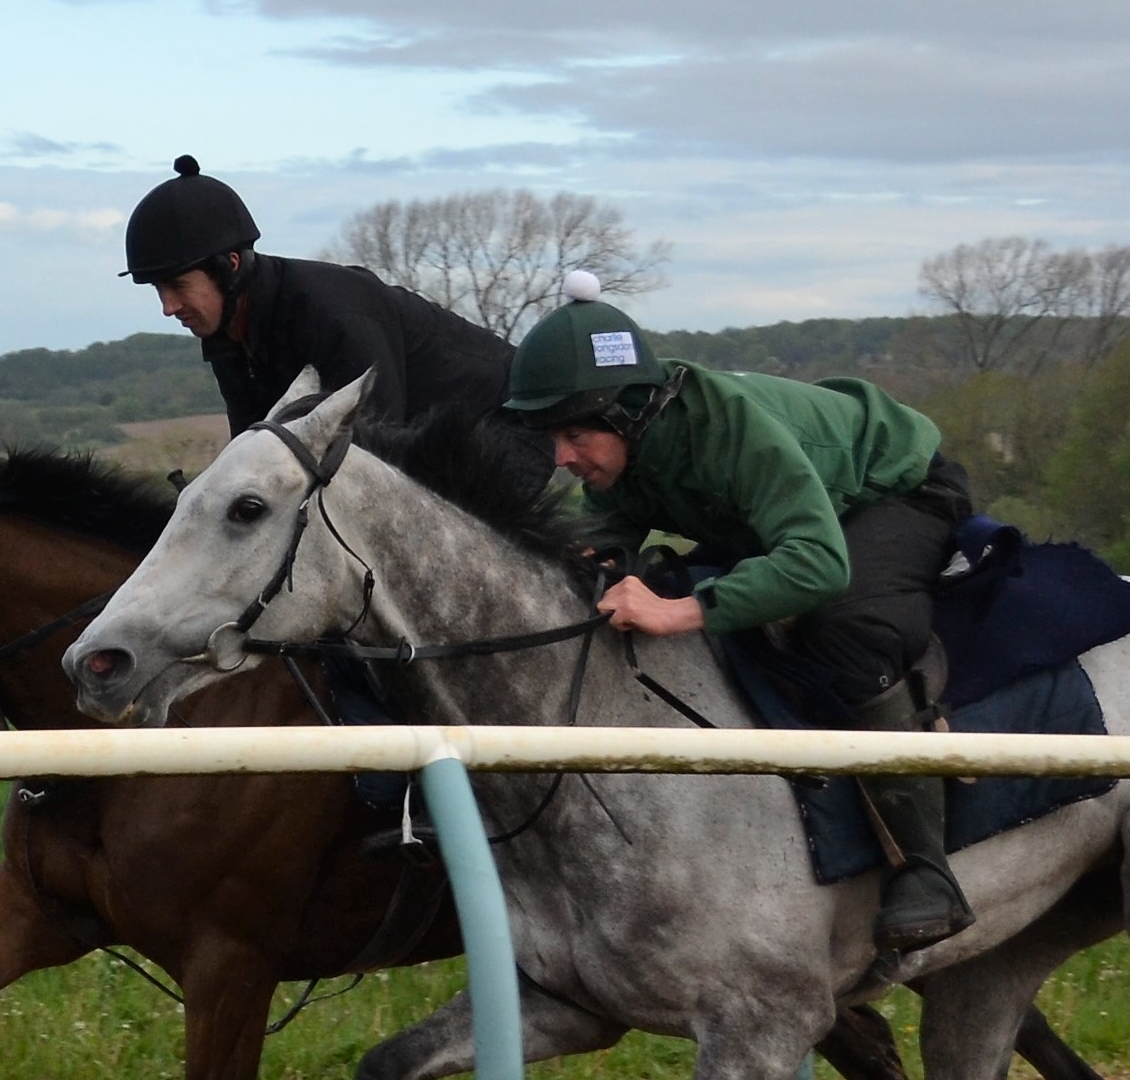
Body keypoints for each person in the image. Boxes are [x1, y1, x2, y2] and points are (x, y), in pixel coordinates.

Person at [502, 273, 978, 955]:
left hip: (893, 493)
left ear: (625, 413)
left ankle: (926, 869)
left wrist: (679, 611)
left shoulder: (729, 430)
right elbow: (605, 534)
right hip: (787, 511)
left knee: (841, 628)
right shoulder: (629, 451)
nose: (561, 458)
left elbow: (818, 563)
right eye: (552, 437)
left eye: (574, 435)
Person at [123, 155, 517, 438]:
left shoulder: (328, 313)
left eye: (178, 286)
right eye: (159, 290)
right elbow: (251, 446)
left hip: (506, 420)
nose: (168, 307)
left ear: (229, 266)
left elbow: (377, 453)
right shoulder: (228, 334)